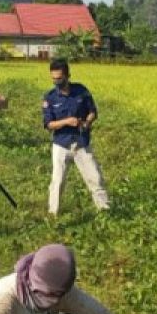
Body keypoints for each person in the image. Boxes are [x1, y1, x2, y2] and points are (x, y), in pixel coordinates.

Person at [42, 59, 110, 215]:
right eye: (53, 78)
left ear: (67, 76)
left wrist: (87, 122)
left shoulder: (81, 91)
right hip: (61, 144)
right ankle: (53, 214)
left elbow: (93, 112)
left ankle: (105, 211)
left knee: (95, 178)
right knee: (57, 182)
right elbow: (48, 124)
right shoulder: (50, 97)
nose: (56, 81)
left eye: (59, 78)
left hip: (81, 143)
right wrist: (66, 121)